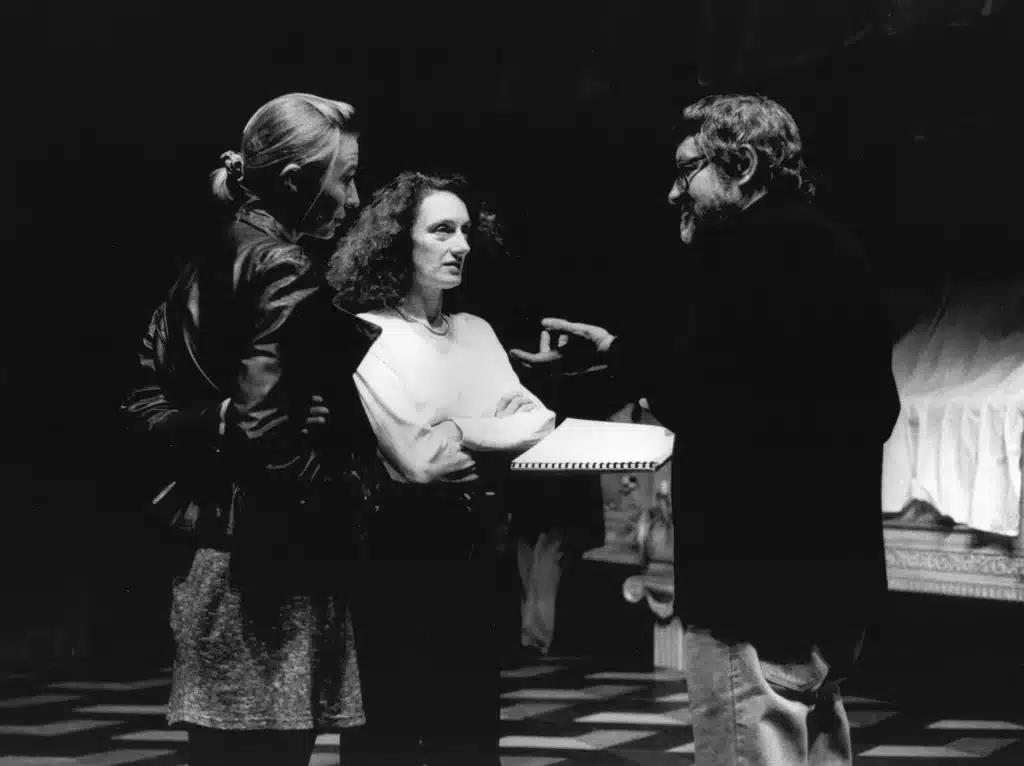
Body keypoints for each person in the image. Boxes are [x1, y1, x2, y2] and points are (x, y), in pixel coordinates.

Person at [511, 94, 901, 766]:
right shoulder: (839, 250)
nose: (671, 193)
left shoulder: (740, 255)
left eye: (686, 170)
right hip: (834, 580)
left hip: (750, 584)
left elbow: (706, 395)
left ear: (743, 164)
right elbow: (855, 404)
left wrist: (632, 366)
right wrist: (615, 353)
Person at [121, 92, 378, 766]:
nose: (354, 200)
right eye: (345, 177)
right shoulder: (281, 266)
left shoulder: (195, 266)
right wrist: (338, 488)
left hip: (208, 552)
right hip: (272, 560)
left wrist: (215, 421)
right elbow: (267, 431)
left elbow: (142, 409)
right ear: (295, 182)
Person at [328, 170, 556, 765]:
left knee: (470, 736)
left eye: (466, 232)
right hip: (397, 559)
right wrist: (487, 428)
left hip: (473, 552)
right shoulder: (368, 333)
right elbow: (417, 462)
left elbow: (538, 421)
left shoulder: (476, 331)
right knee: (390, 737)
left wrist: (458, 430)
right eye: (442, 231)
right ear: (398, 240)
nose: (461, 246)